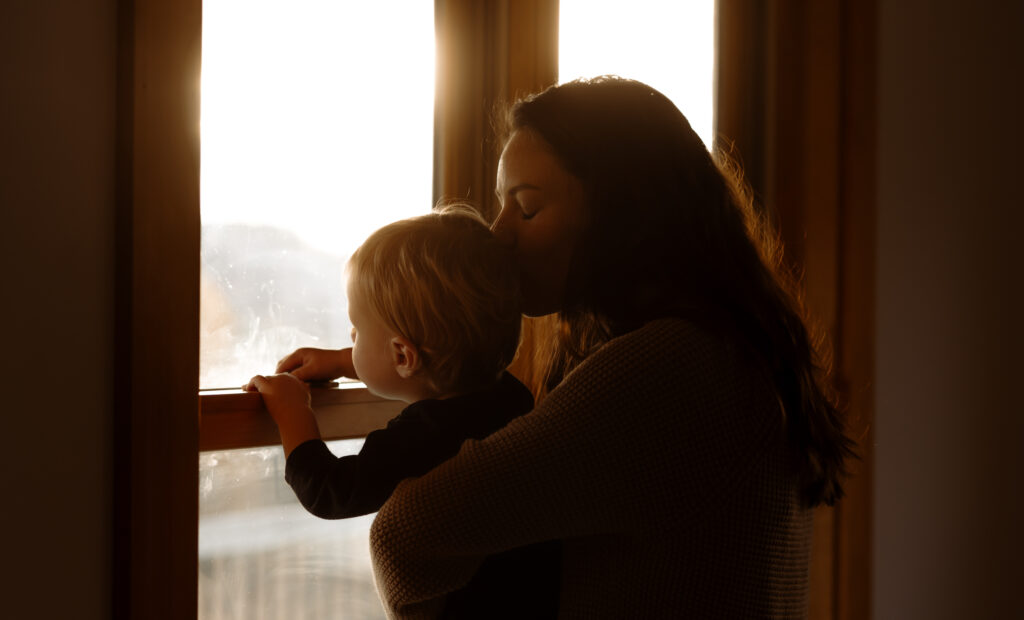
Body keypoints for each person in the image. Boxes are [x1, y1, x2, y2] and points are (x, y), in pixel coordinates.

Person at [356, 76, 857, 618]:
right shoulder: (736, 347)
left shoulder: (666, 370)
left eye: (525, 208)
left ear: (620, 217)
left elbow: (405, 534)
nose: (498, 234)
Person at [245, 205, 559, 616]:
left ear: (403, 355)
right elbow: (420, 365)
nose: (351, 337)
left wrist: (293, 413)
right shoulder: (509, 396)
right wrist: (345, 361)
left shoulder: (427, 437)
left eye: (356, 330)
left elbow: (331, 491)